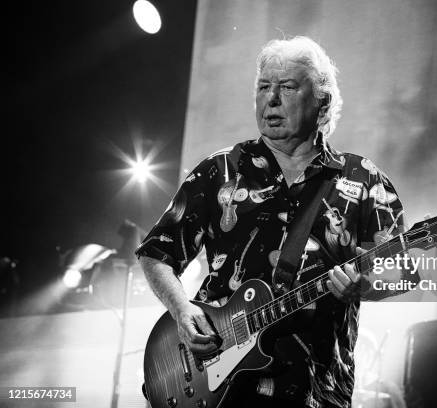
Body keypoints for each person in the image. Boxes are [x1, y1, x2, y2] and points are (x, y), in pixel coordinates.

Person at [136, 36, 415, 408]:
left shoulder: (362, 178)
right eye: (263, 87)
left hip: (315, 388)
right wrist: (182, 310)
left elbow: (405, 271)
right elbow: (156, 253)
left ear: (323, 102)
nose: (271, 98)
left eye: (286, 87)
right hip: (215, 383)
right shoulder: (220, 171)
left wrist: (363, 287)